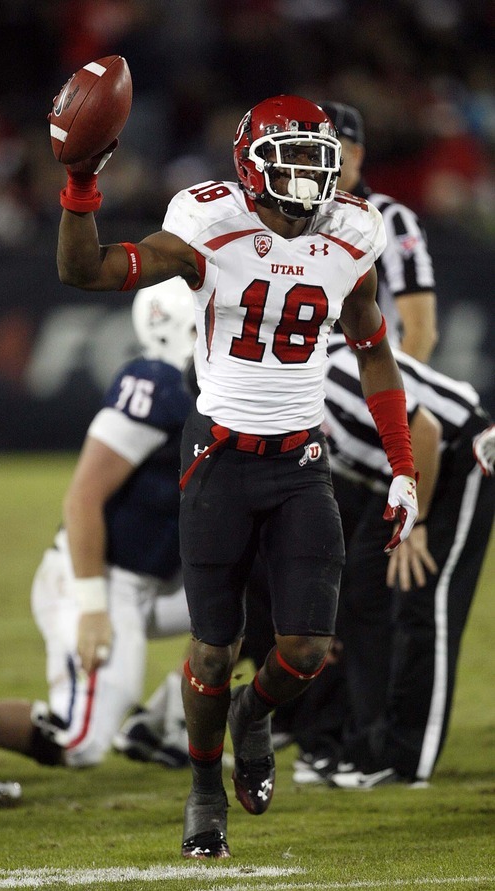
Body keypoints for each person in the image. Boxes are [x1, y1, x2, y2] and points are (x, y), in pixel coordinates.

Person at [52, 92, 419, 859]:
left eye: (320, 165)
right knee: (212, 649)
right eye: (290, 165)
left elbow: (373, 346)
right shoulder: (208, 224)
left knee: (309, 648)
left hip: (299, 461)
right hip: (219, 457)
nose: (308, 183)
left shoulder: (353, 232)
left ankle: (255, 714)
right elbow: (85, 270)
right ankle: (202, 789)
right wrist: (82, 184)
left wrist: (403, 468)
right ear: (250, 170)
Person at [0, 278, 195, 769]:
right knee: (78, 740)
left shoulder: (208, 388)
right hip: (102, 580)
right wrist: (91, 607)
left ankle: (162, 724)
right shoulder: (157, 381)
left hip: (155, 581)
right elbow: (83, 497)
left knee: (262, 598)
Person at [291, 339, 494, 787]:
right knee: (361, 593)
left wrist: (415, 524)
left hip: (459, 455)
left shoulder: (329, 378)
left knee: (425, 600)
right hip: (395, 477)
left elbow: (426, 430)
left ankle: (405, 760)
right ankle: (368, 742)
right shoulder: (285, 400)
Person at [321, 101, 438, 363]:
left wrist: (391, 398)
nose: (319, 161)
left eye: (330, 150)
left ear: (356, 155)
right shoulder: (292, 216)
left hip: (366, 379)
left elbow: (420, 330)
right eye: (310, 150)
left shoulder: (389, 218)